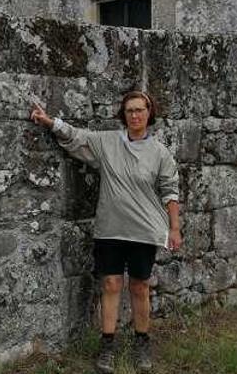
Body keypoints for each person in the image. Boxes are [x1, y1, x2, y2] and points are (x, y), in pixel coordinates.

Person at [30, 91, 181, 373]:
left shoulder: (160, 153)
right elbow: (76, 136)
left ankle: (142, 341)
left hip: (144, 230)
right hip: (110, 228)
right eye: (129, 110)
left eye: (140, 110)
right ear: (123, 115)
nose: (135, 115)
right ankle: (107, 344)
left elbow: (170, 191)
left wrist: (174, 228)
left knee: (139, 286)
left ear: (150, 113)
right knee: (110, 284)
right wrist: (50, 122)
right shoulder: (108, 142)